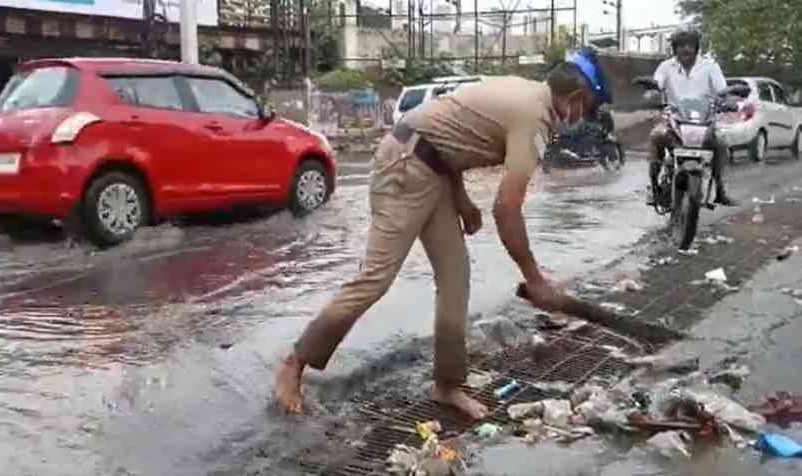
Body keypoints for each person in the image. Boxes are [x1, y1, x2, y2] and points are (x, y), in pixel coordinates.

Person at [274, 51, 612, 419]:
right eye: (588, 108)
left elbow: (449, 138)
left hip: (434, 169)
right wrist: (535, 279)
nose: (584, 118)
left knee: (455, 277)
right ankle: (295, 363)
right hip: (404, 166)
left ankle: (447, 385)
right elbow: (507, 209)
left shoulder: (529, 95)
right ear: (576, 100)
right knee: (376, 279)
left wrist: (463, 199)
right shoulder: (534, 117)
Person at [646, 27, 737, 206]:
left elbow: (722, 90)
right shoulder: (666, 67)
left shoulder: (710, 66)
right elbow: (657, 85)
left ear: (696, 47)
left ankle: (720, 190)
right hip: (675, 122)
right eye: (680, 45)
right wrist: (651, 94)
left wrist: (728, 100)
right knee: (656, 136)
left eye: (689, 45)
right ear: (675, 48)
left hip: (704, 123)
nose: (685, 49)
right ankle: (654, 186)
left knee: (721, 144)